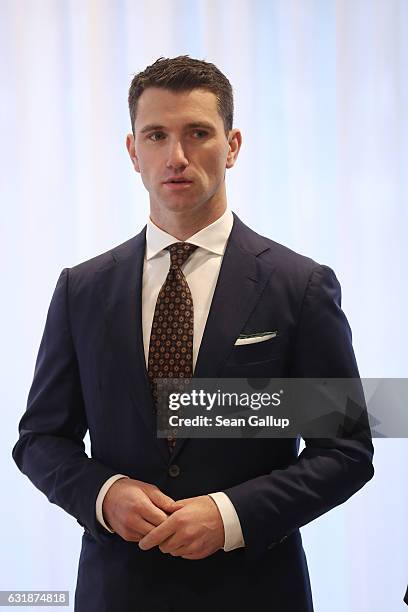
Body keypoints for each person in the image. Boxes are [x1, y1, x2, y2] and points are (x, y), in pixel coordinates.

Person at [13, 56, 374, 612]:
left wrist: (231, 516)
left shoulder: (300, 286)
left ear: (232, 146)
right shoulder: (81, 290)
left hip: (254, 592)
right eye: (156, 135)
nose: (176, 157)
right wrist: (105, 496)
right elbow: (40, 439)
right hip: (117, 592)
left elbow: (345, 450)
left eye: (197, 133)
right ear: (133, 151)